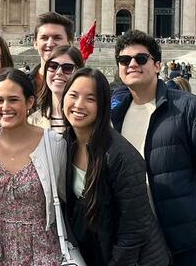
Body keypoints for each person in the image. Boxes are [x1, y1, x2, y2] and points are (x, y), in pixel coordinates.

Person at [111, 30, 196, 266]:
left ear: (158, 65)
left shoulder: (191, 109)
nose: (132, 65)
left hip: (182, 244)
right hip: (130, 242)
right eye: (124, 60)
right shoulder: (114, 113)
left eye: (141, 59)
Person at [62, 68, 169, 265]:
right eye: (73, 95)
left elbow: (134, 229)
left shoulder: (121, 156)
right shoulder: (65, 144)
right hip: (94, 252)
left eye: (90, 99)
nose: (79, 105)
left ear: (103, 106)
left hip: (133, 259)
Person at [0, 68, 66, 265]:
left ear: (29, 102)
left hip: (41, 246)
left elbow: (64, 195)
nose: (5, 107)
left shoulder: (54, 143)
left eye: (13, 100)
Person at [29, 45, 84, 133]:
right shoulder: (32, 122)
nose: (58, 72)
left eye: (67, 68)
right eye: (53, 66)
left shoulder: (93, 120)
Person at [28, 12, 74, 94]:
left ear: (69, 43)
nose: (50, 44)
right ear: (35, 43)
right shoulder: (22, 84)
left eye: (57, 38)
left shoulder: (80, 84)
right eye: (44, 38)